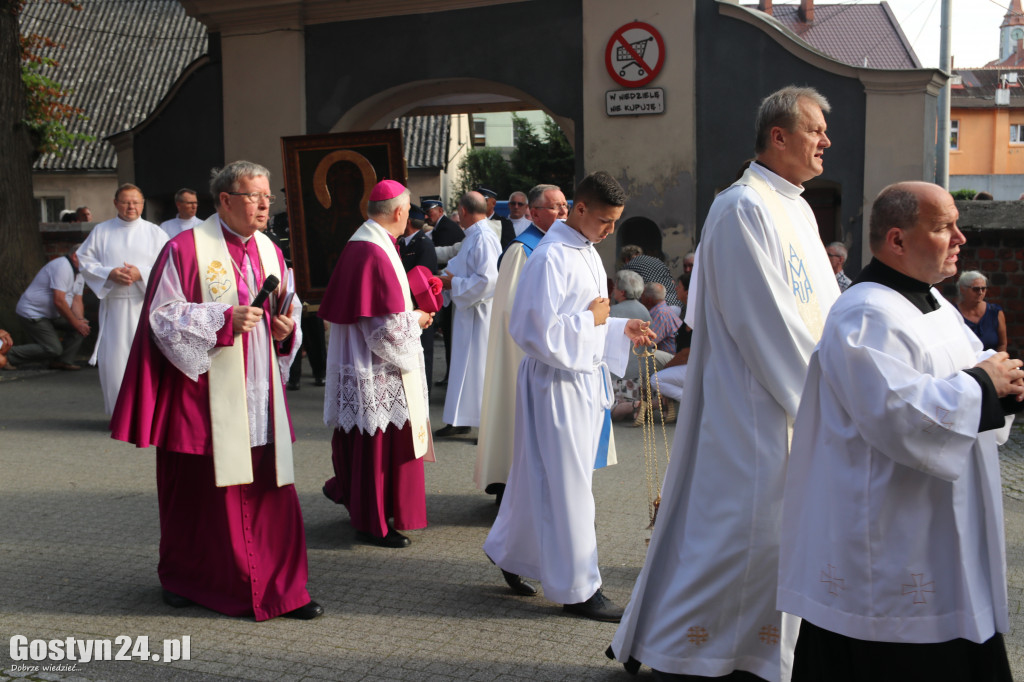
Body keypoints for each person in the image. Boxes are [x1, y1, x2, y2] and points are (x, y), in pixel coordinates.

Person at [610, 85, 840, 681]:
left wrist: (844, 376)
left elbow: (825, 309)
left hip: (796, 399)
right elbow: (763, 320)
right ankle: (688, 651)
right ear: (779, 135)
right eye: (816, 130)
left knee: (774, 540)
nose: (826, 141)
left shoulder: (798, 208)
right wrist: (827, 403)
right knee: (740, 538)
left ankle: (757, 654)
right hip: (755, 406)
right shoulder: (742, 207)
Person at [778, 181, 1023, 681]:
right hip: (892, 539)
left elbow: (961, 368)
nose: (960, 238)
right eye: (943, 227)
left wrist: (1003, 381)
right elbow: (898, 413)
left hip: (939, 527)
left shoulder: (931, 301)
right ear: (896, 240)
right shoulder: (867, 314)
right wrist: (983, 385)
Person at [110, 160, 321, 621]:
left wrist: (285, 330)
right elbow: (162, 317)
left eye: (268, 196)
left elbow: (288, 309)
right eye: (253, 196)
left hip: (258, 390)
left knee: (268, 489)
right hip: (202, 396)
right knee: (200, 495)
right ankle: (189, 577)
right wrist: (223, 320)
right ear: (225, 200)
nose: (265, 204)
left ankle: (283, 587)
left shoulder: (271, 251)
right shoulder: (184, 249)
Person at [483, 171, 655, 622]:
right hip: (556, 383)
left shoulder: (586, 251)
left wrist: (619, 325)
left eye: (615, 222)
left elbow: (588, 316)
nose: (610, 230)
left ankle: (510, 552)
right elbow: (531, 330)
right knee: (569, 487)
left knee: (546, 480)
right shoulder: (550, 256)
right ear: (579, 209)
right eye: (604, 220)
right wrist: (596, 321)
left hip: (581, 379)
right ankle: (581, 589)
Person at [320, 180, 435, 549]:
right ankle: (372, 522)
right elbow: (383, 329)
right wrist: (418, 319)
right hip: (373, 364)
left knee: (372, 439)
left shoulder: (368, 241)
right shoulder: (372, 250)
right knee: (376, 442)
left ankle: (368, 509)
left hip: (368, 360)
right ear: (400, 212)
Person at [475, 184, 567, 506]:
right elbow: (510, 313)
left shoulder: (556, 246)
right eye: (555, 207)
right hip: (523, 358)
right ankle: (510, 493)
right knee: (517, 424)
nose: (563, 213)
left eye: (564, 206)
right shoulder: (522, 250)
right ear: (535, 212)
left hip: (549, 355)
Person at [77, 183, 168, 414]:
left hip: (146, 306)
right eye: (126, 201)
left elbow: (169, 264)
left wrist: (141, 273)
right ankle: (120, 415)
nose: (131, 206)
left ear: (143, 204)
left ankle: (147, 415)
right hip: (115, 305)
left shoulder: (155, 233)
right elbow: (85, 262)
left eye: (136, 202)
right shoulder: (101, 231)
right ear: (116, 203)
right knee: (115, 362)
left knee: (146, 360)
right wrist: (109, 273)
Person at [434, 192, 501, 438]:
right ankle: (459, 419)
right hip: (467, 312)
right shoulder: (473, 236)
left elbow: (489, 280)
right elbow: (458, 267)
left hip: (480, 314)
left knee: (479, 369)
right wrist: (441, 279)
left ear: (462, 210)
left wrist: (456, 285)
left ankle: (487, 429)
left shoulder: (483, 237)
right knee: (463, 367)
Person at [5, 247, 90, 371]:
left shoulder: (80, 272)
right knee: (52, 348)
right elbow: (59, 301)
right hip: (33, 313)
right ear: (75, 256)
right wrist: (75, 323)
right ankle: (7, 355)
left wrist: (80, 321)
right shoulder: (62, 267)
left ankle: (62, 361)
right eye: (89, 259)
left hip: (53, 314)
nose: (91, 263)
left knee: (83, 326)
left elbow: (77, 300)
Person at [423, 198, 464, 388]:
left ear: (440, 210)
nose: (425, 216)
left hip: (456, 293)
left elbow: (486, 281)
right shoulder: (468, 235)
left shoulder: (448, 228)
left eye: (428, 211)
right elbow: (451, 251)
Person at [400, 203, 439, 388]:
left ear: (408, 221)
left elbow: (424, 279)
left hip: (420, 306)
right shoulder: (402, 242)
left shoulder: (424, 243)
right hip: (407, 308)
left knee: (423, 354)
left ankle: (425, 395)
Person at [607, 269, 653, 424]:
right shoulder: (643, 310)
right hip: (638, 374)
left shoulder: (614, 311)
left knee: (607, 411)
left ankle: (632, 406)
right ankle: (635, 406)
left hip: (619, 375)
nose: (613, 291)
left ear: (621, 291)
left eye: (614, 288)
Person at [957, 270, 1007, 352]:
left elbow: (1002, 344)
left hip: (992, 361)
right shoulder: (954, 314)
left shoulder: (995, 312)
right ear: (962, 289)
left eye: (983, 289)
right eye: (975, 289)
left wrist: (998, 360)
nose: (980, 292)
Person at [641, 282, 682, 353]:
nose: (640, 297)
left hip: (672, 356)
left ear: (649, 299)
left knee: (640, 354)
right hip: (670, 353)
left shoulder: (661, 314)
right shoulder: (662, 310)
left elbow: (649, 342)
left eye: (642, 295)